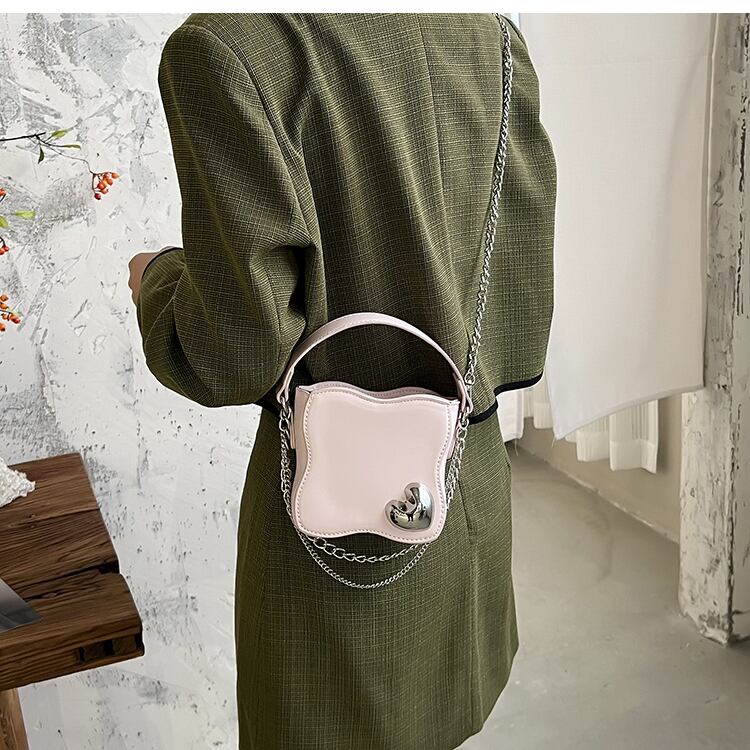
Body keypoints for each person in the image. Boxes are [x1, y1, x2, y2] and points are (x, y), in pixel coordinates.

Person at [128, 12, 555, 750]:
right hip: (465, 487)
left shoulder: (228, 49)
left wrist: (157, 281)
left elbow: (234, 352)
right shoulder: (491, 35)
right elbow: (518, 305)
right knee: (447, 718)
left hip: (332, 544)